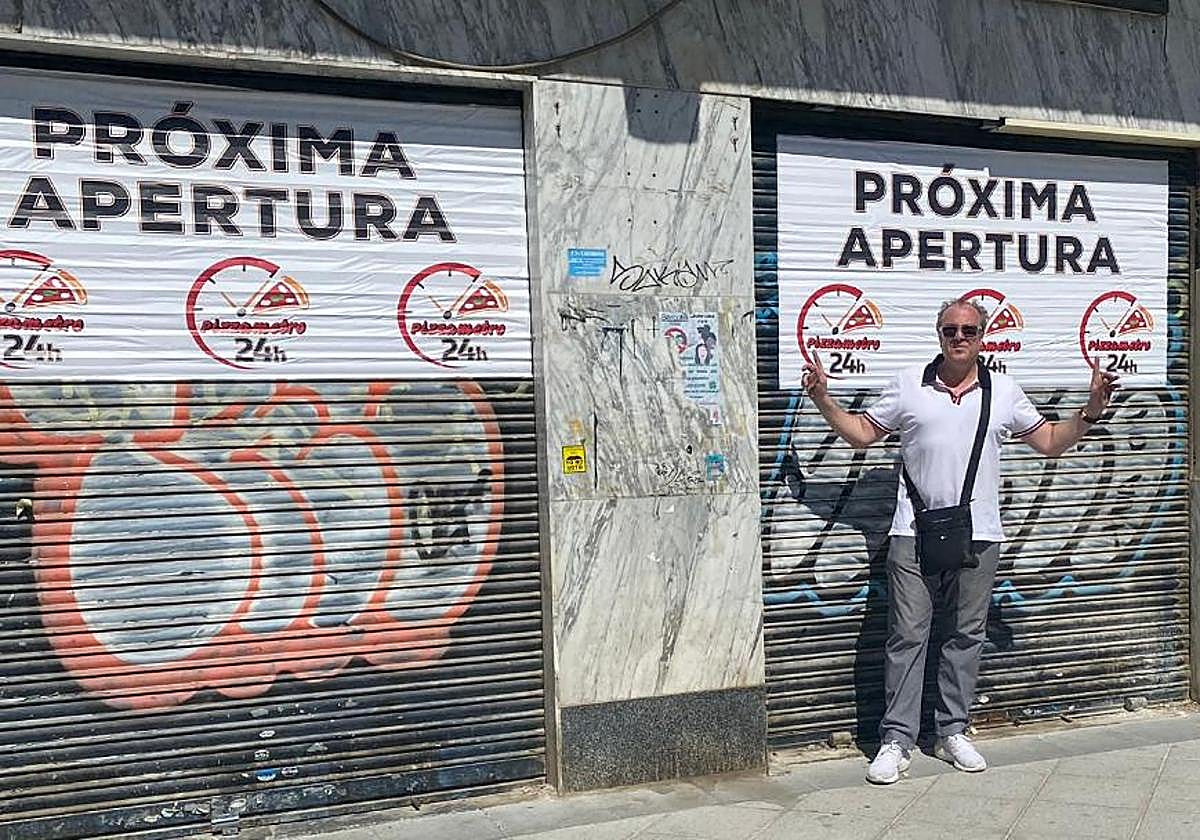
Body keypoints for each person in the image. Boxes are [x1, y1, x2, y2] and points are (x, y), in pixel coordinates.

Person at [801, 298, 1118, 785]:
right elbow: (862, 434)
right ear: (938, 334)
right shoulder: (910, 385)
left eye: (968, 330)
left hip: (980, 532)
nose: (959, 337)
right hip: (912, 531)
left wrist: (1092, 409)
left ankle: (952, 731)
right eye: (950, 329)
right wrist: (824, 398)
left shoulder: (1004, 390)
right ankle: (896, 740)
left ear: (983, 336)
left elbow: (1051, 441)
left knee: (965, 636)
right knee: (907, 636)